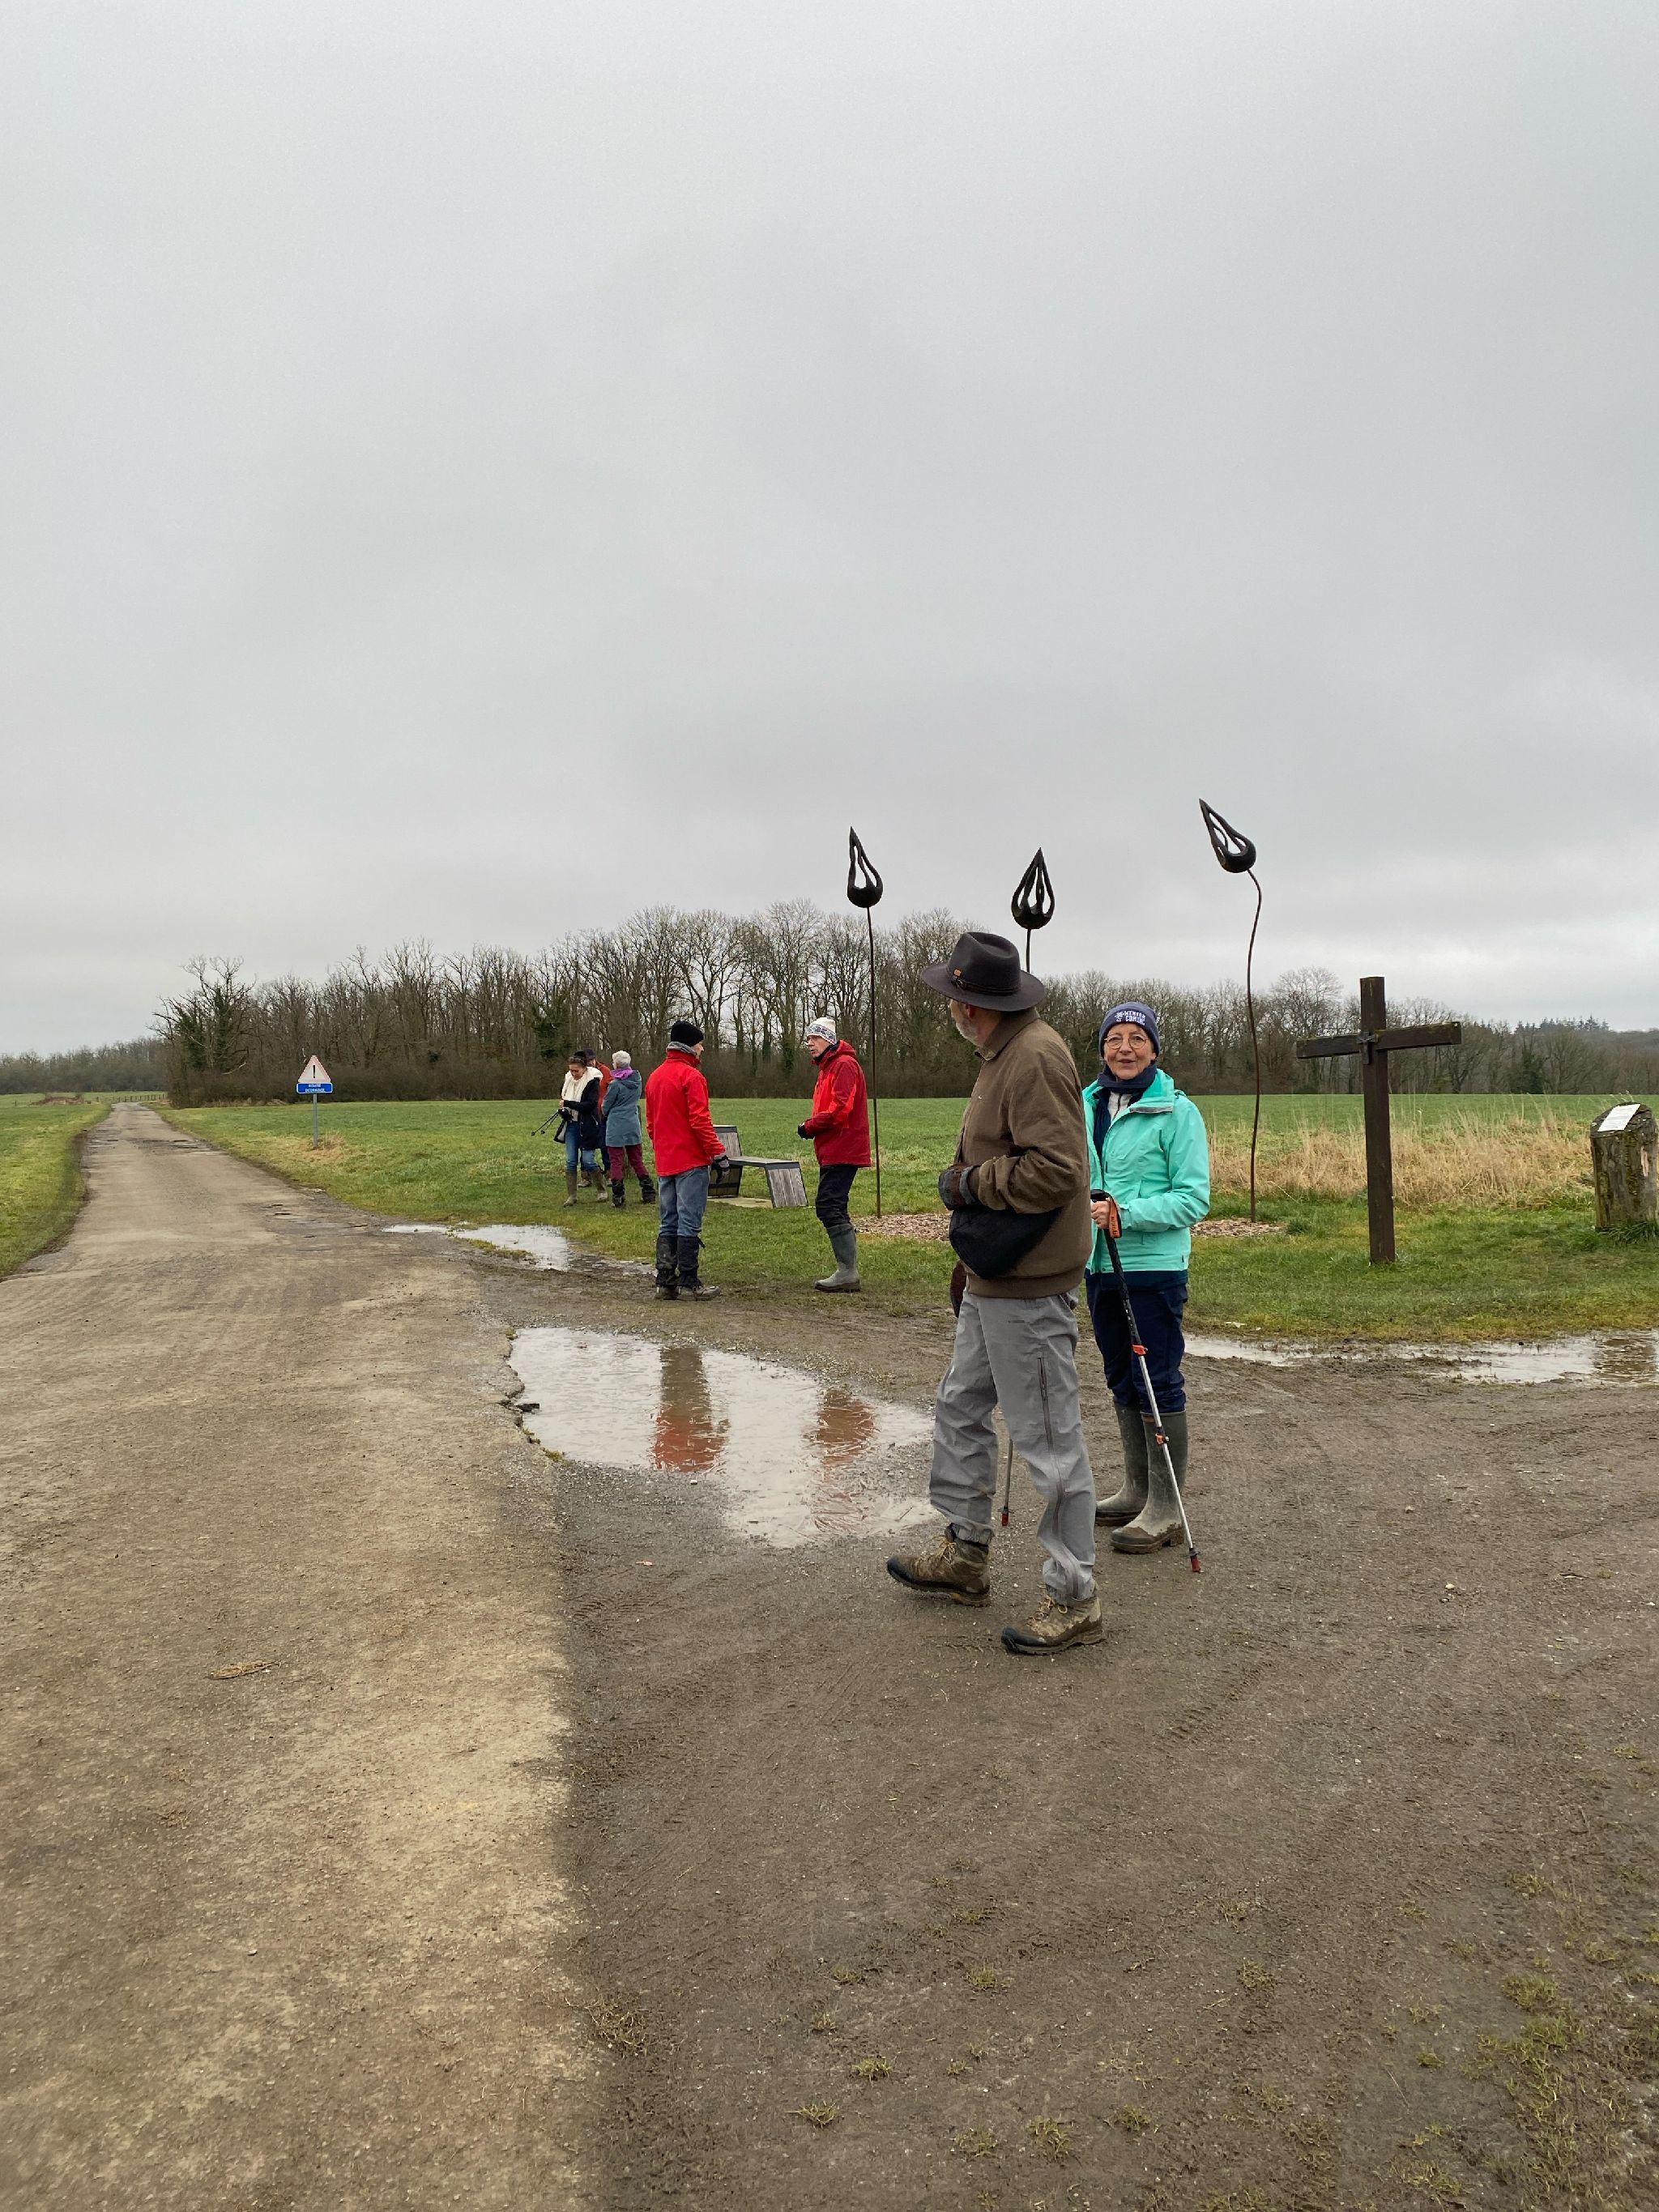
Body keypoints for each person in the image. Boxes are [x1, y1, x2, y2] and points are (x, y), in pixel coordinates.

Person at [885, 931, 1101, 1656]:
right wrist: (971, 1253)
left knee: (1049, 1440)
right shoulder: (1001, 1053)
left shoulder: (1034, 1056)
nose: (948, 1009)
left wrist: (968, 1186)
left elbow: (1059, 1170)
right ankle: (966, 1550)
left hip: (1030, 1284)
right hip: (995, 1276)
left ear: (970, 1006)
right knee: (960, 1404)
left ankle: (1074, 1593)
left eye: (952, 998)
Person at [1082, 1001, 1211, 1553]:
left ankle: (1166, 1506)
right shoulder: (1084, 1104)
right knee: (1120, 1377)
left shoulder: (1177, 1113)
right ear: (1103, 1048)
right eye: (1115, 1038)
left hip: (1153, 1267)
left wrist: (1126, 1213)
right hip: (1097, 1263)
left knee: (1156, 1380)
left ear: (1155, 1050)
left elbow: (1193, 1198)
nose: (1125, 1048)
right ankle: (1137, 1489)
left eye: (1137, 1038)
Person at [643, 1021, 728, 1301]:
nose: (702, 1049)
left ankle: (665, 1280)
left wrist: (662, 1147)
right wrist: (718, 1153)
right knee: (689, 1220)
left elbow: (651, 1123)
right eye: (700, 1044)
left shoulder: (655, 1077)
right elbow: (700, 1121)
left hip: (665, 1159)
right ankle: (690, 1280)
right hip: (690, 1159)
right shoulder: (692, 1077)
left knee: (668, 1220)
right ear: (690, 1046)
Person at [796, 1016, 871, 1292]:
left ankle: (848, 1272)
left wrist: (810, 1126)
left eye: (815, 1038)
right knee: (834, 1206)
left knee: (828, 1206)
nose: (809, 1043)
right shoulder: (828, 1067)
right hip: (833, 1148)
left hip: (843, 1147)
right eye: (808, 1038)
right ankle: (847, 1270)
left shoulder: (844, 1065)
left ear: (828, 1039)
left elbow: (840, 1110)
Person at [601, 1051, 655, 1208]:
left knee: (616, 1161)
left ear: (617, 1065)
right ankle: (648, 1191)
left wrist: (605, 1111)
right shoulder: (637, 1081)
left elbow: (606, 1105)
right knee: (637, 1160)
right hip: (632, 1123)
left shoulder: (615, 1085)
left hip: (616, 1125)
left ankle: (618, 1196)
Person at [557, 1051, 607, 1204]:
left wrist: (568, 1104)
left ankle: (601, 1190)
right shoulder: (568, 1081)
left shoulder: (593, 1082)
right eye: (571, 1070)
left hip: (588, 1125)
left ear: (584, 1069)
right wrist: (563, 1111)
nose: (573, 1074)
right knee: (571, 1161)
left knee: (588, 1160)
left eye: (576, 1071)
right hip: (571, 1125)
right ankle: (572, 1196)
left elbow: (590, 1105)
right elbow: (565, 1100)